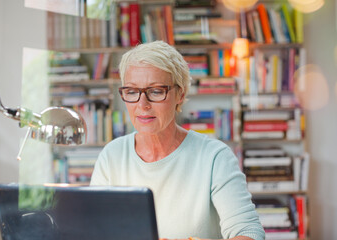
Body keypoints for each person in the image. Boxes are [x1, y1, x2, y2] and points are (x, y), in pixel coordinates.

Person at [90, 41, 265, 240]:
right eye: (131, 91)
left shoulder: (214, 157)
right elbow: (95, 230)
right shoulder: (112, 156)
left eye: (156, 91)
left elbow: (249, 233)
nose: (142, 104)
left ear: (180, 95)